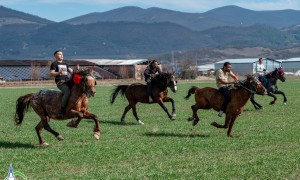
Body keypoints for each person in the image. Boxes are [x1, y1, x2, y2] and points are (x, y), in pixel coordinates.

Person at [50, 50, 74, 117]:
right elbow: (51, 73)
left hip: (67, 81)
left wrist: (76, 70)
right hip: (60, 82)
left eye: (62, 54)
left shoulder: (65, 64)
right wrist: (58, 73)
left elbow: (72, 72)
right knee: (67, 92)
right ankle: (62, 109)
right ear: (55, 56)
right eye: (59, 54)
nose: (62, 55)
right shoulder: (54, 64)